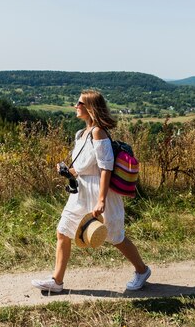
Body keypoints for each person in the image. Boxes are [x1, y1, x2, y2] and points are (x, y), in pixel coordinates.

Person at [31, 89, 151, 293]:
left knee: (116, 236)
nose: (76, 106)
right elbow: (85, 166)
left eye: (80, 103)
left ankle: (142, 270)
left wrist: (102, 200)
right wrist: (68, 171)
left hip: (98, 191)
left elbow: (106, 167)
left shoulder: (98, 132)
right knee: (63, 231)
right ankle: (57, 281)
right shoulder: (81, 134)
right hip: (80, 192)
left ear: (90, 107)